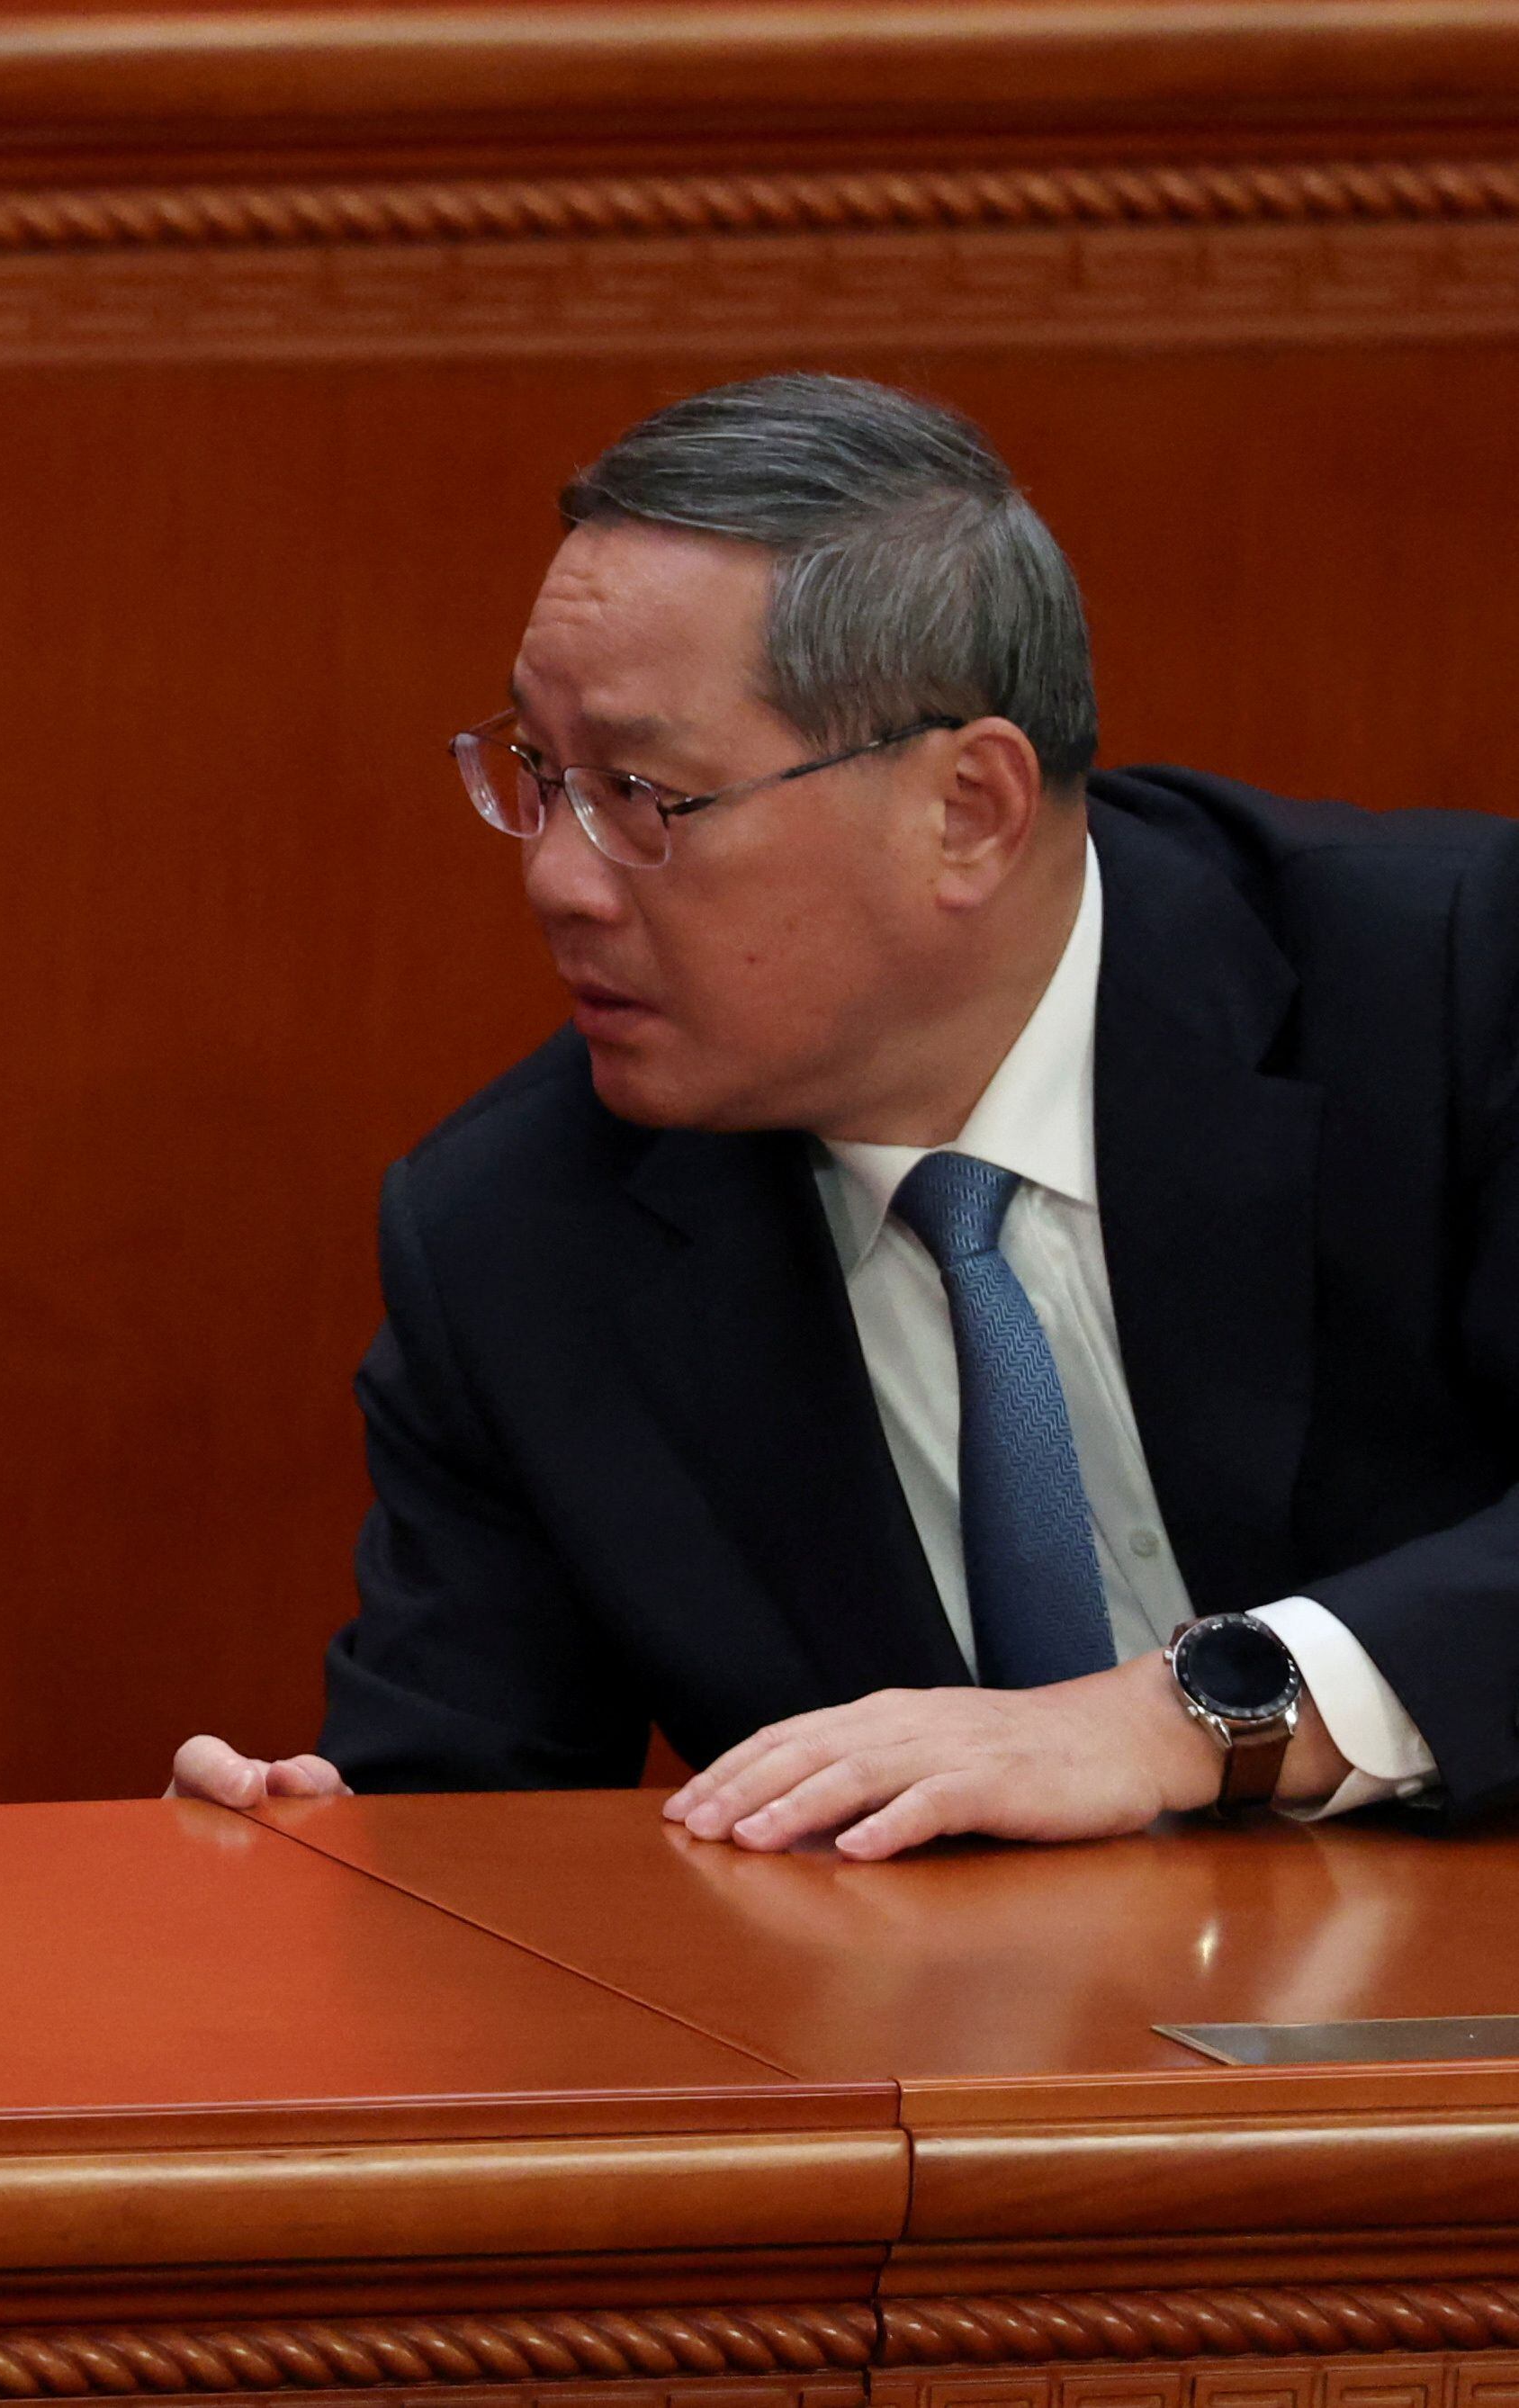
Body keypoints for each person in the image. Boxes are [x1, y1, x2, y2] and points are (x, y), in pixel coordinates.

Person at [175, 373, 1519, 1856]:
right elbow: (467, 1811)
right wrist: (327, 1872)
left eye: (642, 794)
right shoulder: (520, 1237)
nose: (555, 878)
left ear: (967, 810)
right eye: (538, 779)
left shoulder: (1450, 988)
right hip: (946, 2071)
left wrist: (1175, 1718)